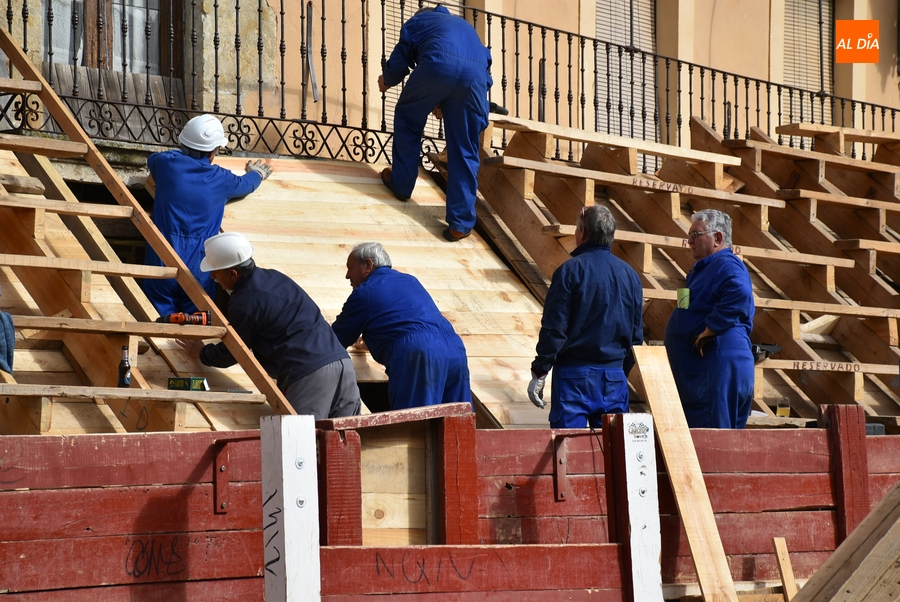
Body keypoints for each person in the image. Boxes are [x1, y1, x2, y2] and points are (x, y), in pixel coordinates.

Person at [180, 232, 361, 420]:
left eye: (215, 273)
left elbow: (233, 351)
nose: (212, 277)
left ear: (233, 274)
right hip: (342, 364)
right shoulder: (275, 277)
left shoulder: (244, 301)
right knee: (344, 436)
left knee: (299, 437)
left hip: (309, 374)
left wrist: (203, 353)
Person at [377, 5, 491, 243]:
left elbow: (401, 56)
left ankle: (401, 183)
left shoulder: (420, 20)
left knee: (408, 117)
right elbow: (484, 67)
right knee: (465, 146)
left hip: (438, 64)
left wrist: (387, 80)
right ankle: (460, 224)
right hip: (475, 78)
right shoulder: (466, 27)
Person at [143, 113, 274, 315]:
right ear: (213, 151)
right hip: (199, 264)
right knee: (196, 322)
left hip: (161, 254)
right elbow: (246, 185)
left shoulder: (165, 164)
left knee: (158, 321)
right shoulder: (222, 179)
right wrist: (257, 173)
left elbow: (154, 159)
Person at [528, 205, 644, 428]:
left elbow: (554, 329)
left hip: (573, 378)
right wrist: (619, 371)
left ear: (583, 232)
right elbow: (636, 336)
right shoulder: (631, 276)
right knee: (613, 447)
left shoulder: (569, 271)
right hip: (613, 377)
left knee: (569, 447)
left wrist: (540, 370)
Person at [331, 242, 472, 410]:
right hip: (454, 349)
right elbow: (409, 324)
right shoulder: (410, 280)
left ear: (368, 265)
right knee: (459, 418)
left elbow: (334, 341)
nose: (347, 275)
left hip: (419, 354)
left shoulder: (364, 293)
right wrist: (369, 343)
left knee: (416, 421)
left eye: (350, 268)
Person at [664, 209, 755, 429]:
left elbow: (739, 293)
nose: (689, 241)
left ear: (718, 238)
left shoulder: (727, 264)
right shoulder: (705, 269)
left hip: (718, 367)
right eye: (689, 235)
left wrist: (709, 330)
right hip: (708, 370)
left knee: (716, 441)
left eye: (696, 235)